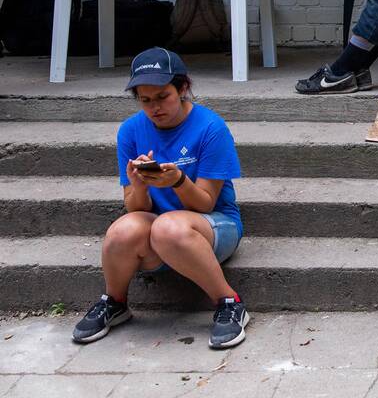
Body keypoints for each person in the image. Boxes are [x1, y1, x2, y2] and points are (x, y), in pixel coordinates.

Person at [71, 48, 247, 349]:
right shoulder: (130, 131)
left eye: (163, 96)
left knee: (168, 228)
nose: (155, 107)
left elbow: (205, 202)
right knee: (120, 231)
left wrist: (177, 181)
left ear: (182, 89)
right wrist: (139, 184)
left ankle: (229, 302)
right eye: (146, 100)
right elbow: (135, 208)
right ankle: (114, 302)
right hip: (159, 232)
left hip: (213, 227)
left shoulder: (211, 128)